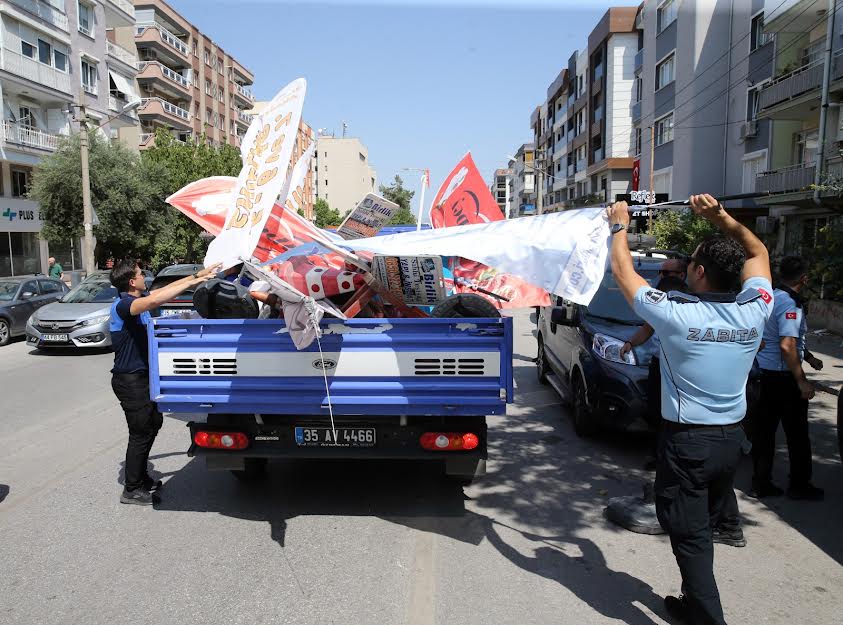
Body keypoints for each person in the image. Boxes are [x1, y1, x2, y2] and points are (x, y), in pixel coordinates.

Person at [608, 194, 773, 625]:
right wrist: (720, 218)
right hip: (731, 440)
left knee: (690, 534)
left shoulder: (676, 315)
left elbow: (623, 273)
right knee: (701, 525)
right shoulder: (756, 309)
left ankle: (707, 618)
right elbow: (758, 251)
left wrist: (618, 225)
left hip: (688, 443)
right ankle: (690, 598)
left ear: (697, 272)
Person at [109, 259, 219, 505]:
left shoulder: (138, 300)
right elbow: (155, 301)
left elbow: (159, 293)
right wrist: (194, 281)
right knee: (140, 432)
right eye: (140, 274)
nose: (144, 278)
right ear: (131, 281)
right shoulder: (124, 305)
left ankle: (141, 478)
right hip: (129, 380)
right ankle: (131, 489)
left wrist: (196, 277)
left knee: (153, 423)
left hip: (142, 377)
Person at [752, 256, 824, 501]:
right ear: (803, 279)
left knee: (764, 432)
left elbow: (780, 337)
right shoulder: (790, 304)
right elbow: (787, 343)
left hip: (765, 375)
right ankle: (800, 485)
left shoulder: (769, 297)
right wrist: (802, 380)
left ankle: (760, 483)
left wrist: (810, 357)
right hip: (783, 378)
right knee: (797, 434)